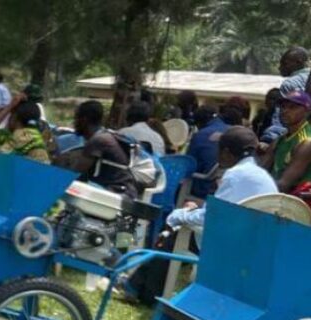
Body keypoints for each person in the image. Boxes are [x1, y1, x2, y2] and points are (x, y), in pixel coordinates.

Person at [121, 127, 277, 304]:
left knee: (173, 234)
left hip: (228, 244)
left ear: (226, 152)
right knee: (182, 226)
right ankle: (137, 286)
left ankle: (146, 292)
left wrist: (179, 215)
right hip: (251, 244)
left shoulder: (235, 175)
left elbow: (211, 218)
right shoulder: (261, 175)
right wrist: (194, 210)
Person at [56, 100, 138, 199]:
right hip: (126, 191)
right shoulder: (106, 135)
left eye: (76, 118)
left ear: (84, 120)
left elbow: (74, 173)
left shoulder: (98, 141)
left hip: (116, 193)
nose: (74, 123)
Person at [260, 90, 311, 197]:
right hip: (277, 196)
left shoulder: (307, 142)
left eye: (292, 107)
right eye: (283, 107)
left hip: (299, 203)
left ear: (307, 111)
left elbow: (284, 184)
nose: (285, 111)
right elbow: (260, 172)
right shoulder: (278, 140)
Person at [0, 94, 50, 163]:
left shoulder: (24, 134)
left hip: (34, 171)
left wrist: (9, 107)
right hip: (28, 169)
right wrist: (10, 106)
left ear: (15, 117)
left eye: (10, 115)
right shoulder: (17, 133)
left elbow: (3, 154)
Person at [263, 47, 309, 143]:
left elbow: (282, 118)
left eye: (285, 63)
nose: (280, 68)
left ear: (298, 62)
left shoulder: (289, 83)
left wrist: (268, 140)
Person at [184, 104, 229, 197]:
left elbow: (188, 165)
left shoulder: (200, 135)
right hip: (226, 188)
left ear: (200, 123)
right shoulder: (231, 130)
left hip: (203, 188)